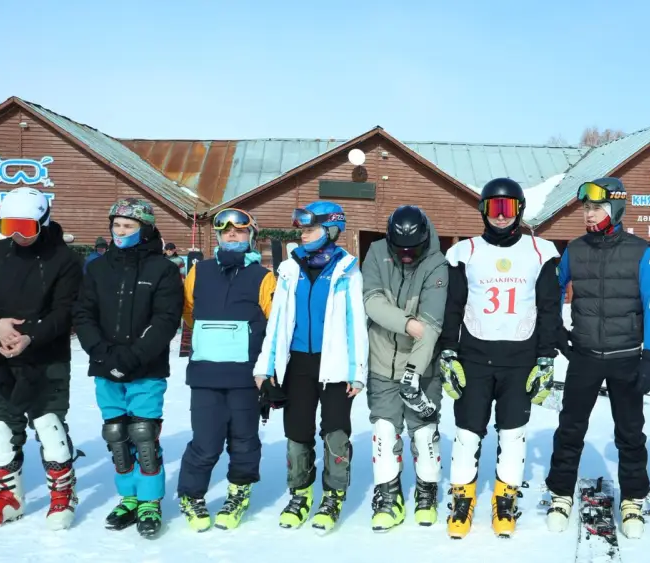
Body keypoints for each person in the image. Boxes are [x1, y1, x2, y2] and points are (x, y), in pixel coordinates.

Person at [439, 177, 561, 539]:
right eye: (494, 208)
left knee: (513, 434)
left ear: (520, 210)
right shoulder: (466, 251)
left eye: (508, 208)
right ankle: (463, 500)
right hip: (475, 356)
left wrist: (546, 356)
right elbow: (453, 306)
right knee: (466, 433)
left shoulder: (541, 251)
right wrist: (448, 349)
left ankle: (505, 499)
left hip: (519, 357)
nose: (501, 216)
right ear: (483, 210)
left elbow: (549, 308)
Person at [543, 177, 650, 540]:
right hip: (585, 355)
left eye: (596, 208)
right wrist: (557, 330)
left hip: (627, 356)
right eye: (586, 208)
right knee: (570, 428)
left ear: (615, 209)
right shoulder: (574, 250)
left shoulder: (640, 252)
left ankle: (634, 498)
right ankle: (561, 492)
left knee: (629, 432)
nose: (588, 214)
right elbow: (552, 289)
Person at [254, 201, 367, 534]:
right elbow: (276, 324)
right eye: (301, 230)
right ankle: (300, 494)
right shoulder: (289, 269)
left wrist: (356, 372)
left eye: (310, 229)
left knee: (335, 430)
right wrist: (266, 367)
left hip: (334, 365)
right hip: (297, 364)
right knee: (297, 431)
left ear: (331, 230)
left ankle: (333, 496)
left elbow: (355, 324)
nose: (303, 236)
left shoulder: (347, 269)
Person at [72, 197, 184, 537]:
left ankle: (150, 500)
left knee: (144, 436)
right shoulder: (97, 267)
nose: (121, 232)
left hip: (145, 368)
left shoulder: (162, 269)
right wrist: (102, 353)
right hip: (105, 366)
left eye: (129, 226)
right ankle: (129, 497)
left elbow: (165, 320)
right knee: (117, 436)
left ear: (145, 229)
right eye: (117, 225)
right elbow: (83, 313)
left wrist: (132, 356)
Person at [176, 209, 276, 532]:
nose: (232, 235)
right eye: (226, 231)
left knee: (245, 440)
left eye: (240, 231)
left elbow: (274, 324)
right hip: (206, 375)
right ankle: (191, 496)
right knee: (205, 442)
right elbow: (189, 314)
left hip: (246, 376)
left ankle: (238, 493)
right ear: (218, 236)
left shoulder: (264, 277)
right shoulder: (198, 272)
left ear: (251, 237)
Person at [0, 187, 82, 530]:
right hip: (0, 356)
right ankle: (8, 495)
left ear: (43, 222)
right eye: (9, 225)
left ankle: (62, 492)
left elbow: (65, 311)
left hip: (47, 356)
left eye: (25, 227)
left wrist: (31, 336)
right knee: (0, 427)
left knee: (49, 425)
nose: (17, 235)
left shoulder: (65, 260)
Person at [361, 205, 448, 532]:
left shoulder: (437, 263)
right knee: (384, 431)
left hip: (422, 367)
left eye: (414, 249)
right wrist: (407, 323)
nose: (407, 255)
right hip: (382, 361)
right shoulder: (376, 253)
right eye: (401, 249)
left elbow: (432, 325)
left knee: (424, 434)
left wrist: (413, 371)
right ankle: (389, 497)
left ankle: (427, 493)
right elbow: (371, 301)